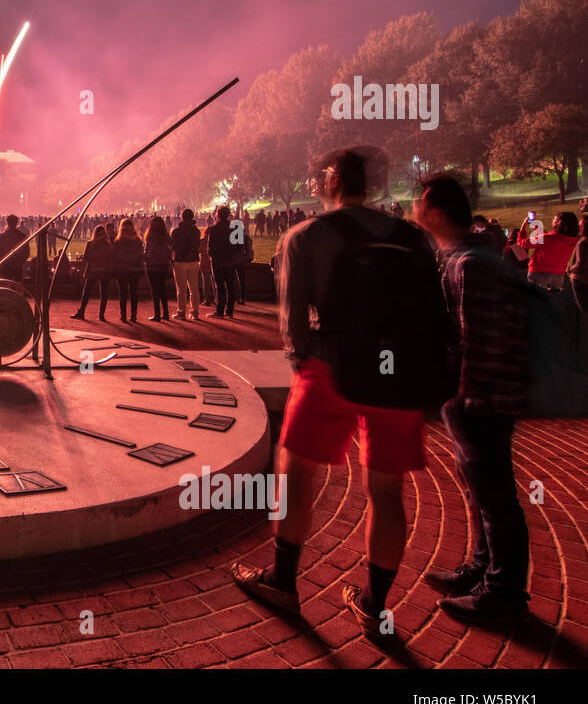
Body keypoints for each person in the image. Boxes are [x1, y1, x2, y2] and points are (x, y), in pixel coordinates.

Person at [231, 148, 436, 636]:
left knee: (297, 471)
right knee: (386, 490)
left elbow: (294, 322)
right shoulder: (413, 237)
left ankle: (283, 578)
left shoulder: (307, 236)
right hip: (400, 374)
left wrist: (306, 361)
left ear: (333, 180)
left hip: (331, 364)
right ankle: (374, 602)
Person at [415, 175, 530, 623]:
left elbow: (481, 338)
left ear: (437, 212)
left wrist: (463, 398)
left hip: (484, 398)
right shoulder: (469, 256)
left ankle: (502, 593)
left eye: (420, 204)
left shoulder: (470, 263)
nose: (414, 210)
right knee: (484, 492)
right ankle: (483, 570)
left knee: (497, 496)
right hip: (482, 396)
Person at [518, 212, 578, 289]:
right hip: (558, 276)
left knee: (536, 299)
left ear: (559, 222)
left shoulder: (547, 238)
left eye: (555, 219)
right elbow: (547, 239)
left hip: (538, 274)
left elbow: (522, 243)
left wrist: (523, 227)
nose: (553, 220)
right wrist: (536, 226)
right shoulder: (572, 241)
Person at [70, 225, 112, 321]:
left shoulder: (91, 244)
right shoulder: (107, 245)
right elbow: (109, 258)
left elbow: (86, 258)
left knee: (87, 292)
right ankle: (101, 315)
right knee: (103, 293)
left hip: (93, 270)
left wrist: (93, 257)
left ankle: (82, 311)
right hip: (103, 270)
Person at [206, 205, 237, 318]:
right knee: (230, 286)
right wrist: (231, 254)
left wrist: (212, 255)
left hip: (217, 260)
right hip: (229, 260)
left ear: (218, 215)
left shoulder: (214, 229)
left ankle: (219, 310)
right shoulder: (234, 228)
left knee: (219, 286)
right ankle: (230, 311)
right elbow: (239, 245)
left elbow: (210, 247)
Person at [170, 209, 201, 320]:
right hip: (193, 261)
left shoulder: (176, 232)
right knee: (194, 289)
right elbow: (197, 245)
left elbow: (173, 247)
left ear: (182, 217)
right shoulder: (196, 231)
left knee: (181, 289)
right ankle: (195, 312)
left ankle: (181, 311)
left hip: (180, 261)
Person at [111, 218, 144, 323]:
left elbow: (115, 256)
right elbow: (140, 255)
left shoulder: (118, 241)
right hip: (134, 269)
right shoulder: (137, 240)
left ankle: (123, 315)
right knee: (134, 293)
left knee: (123, 294)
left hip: (122, 270)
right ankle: (133, 315)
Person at [144, 217, 173, 321]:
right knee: (162, 290)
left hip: (152, 265)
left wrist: (145, 258)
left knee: (154, 291)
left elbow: (148, 251)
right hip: (163, 265)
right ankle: (166, 313)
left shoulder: (150, 236)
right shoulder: (166, 236)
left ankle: (157, 314)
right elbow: (170, 250)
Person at [0, 214, 28, 283]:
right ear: (17, 223)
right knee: (17, 286)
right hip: (17, 265)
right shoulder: (21, 236)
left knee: (6, 286)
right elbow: (26, 251)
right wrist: (20, 262)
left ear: (7, 223)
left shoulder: (3, 236)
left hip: (6, 265)